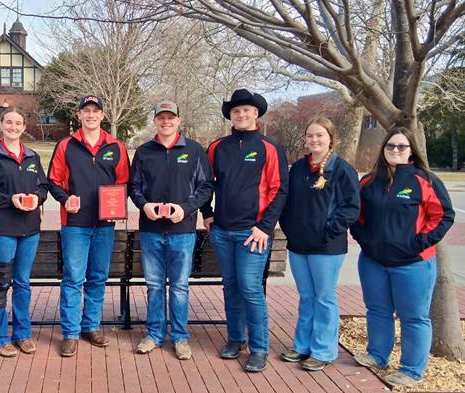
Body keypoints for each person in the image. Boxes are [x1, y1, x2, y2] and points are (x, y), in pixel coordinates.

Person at [350, 126, 454, 386]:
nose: (395, 151)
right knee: (377, 310)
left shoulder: (425, 180)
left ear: (411, 151)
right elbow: (356, 215)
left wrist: (417, 243)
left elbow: (443, 216)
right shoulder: (369, 182)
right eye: (390, 146)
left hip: (413, 264)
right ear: (383, 149)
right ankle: (377, 355)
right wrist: (364, 238)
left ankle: (411, 369)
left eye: (401, 147)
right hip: (374, 261)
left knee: (414, 316)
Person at [201, 89, 289, 372]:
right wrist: (207, 214)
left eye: (247, 110)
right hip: (223, 231)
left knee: (251, 289)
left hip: (253, 233)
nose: (241, 114)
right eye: (236, 111)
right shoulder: (218, 147)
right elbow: (204, 183)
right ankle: (235, 338)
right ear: (231, 115)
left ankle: (259, 347)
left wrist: (265, 227)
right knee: (231, 287)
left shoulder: (269, 147)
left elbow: (279, 189)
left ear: (256, 113)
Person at [129, 101, 214, 360]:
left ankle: (179, 337)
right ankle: (154, 334)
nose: (166, 122)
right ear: (155, 120)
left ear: (178, 120)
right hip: (151, 230)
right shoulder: (144, 152)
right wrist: (145, 206)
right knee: (154, 286)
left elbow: (205, 187)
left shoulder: (194, 150)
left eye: (171, 117)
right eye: (161, 117)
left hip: (183, 231)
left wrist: (186, 209)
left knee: (179, 287)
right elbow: (134, 187)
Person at [47, 95, 130, 357]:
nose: (91, 115)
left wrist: (117, 205)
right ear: (79, 115)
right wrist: (64, 199)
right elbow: (54, 180)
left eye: (95, 111)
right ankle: (70, 333)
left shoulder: (116, 146)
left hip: (105, 224)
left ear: (102, 116)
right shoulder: (65, 145)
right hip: (74, 224)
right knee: (73, 278)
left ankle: (91, 326)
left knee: (97, 277)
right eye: (86, 111)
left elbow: (124, 183)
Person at [278, 117, 360, 371]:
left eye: (320, 135)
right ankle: (303, 346)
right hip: (299, 245)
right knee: (306, 297)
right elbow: (287, 201)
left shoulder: (342, 169)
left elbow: (351, 207)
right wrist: (290, 228)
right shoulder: (300, 168)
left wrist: (330, 229)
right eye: (310, 135)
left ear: (330, 138)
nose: (314, 140)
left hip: (326, 246)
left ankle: (323, 350)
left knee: (324, 297)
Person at [0, 107, 48, 357]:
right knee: (0, 284)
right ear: (1, 124)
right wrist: (10, 199)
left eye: (18, 123)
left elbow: (43, 187)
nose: (13, 127)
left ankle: (22, 334)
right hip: (2, 231)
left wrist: (36, 199)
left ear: (24, 127)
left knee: (22, 283)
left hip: (30, 231)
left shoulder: (32, 157)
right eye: (9, 122)